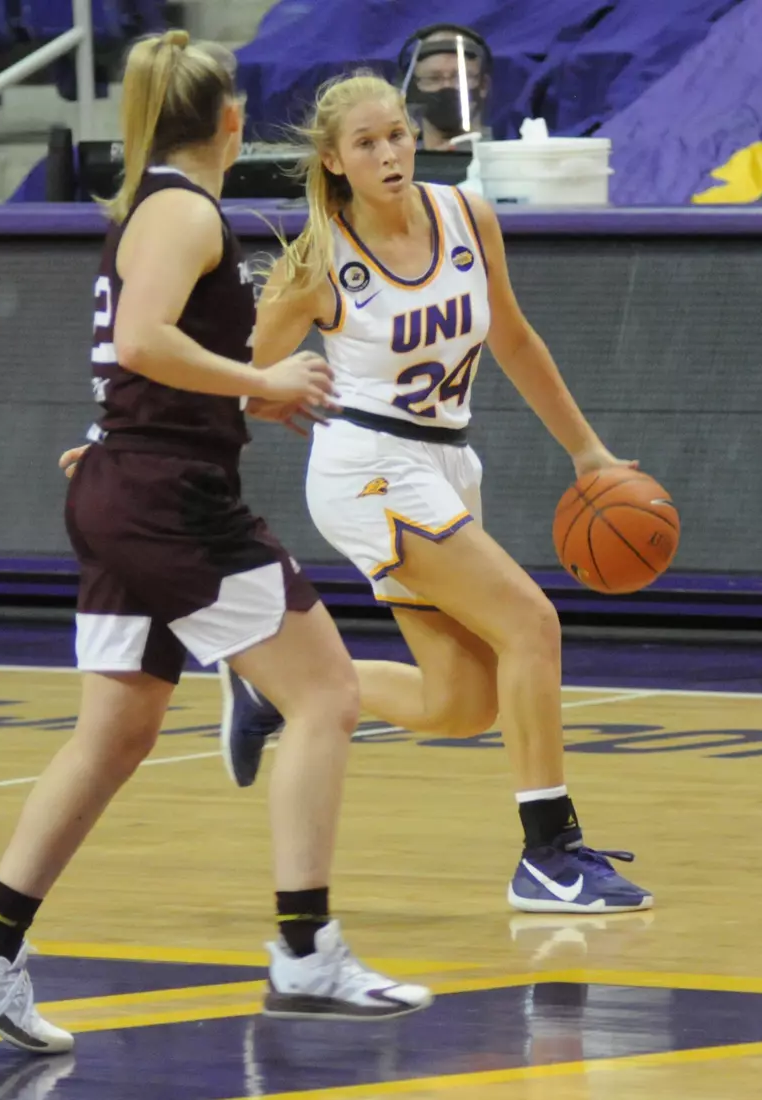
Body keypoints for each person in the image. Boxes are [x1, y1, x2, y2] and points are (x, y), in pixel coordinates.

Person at [0, 36, 431, 1056]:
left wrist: (202, 407)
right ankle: (306, 950)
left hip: (132, 484)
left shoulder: (158, 206)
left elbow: (144, 358)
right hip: (167, 503)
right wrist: (266, 384)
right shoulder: (184, 208)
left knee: (115, 734)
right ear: (232, 119)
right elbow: (147, 338)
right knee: (326, 693)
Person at [221, 71, 653, 916]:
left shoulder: (467, 215)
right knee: (532, 622)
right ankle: (548, 855)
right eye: (367, 143)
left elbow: (517, 341)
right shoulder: (317, 266)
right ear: (334, 160)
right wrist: (251, 403)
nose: (389, 153)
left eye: (397, 135)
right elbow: (235, 381)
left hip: (447, 463)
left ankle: (276, 685)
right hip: (367, 470)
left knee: (462, 703)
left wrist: (589, 453)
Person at [399, 25, 494, 150]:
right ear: (414, 89)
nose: (447, 86)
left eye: (460, 78)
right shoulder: (398, 165)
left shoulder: (512, 161)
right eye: (433, 78)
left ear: (483, 85)